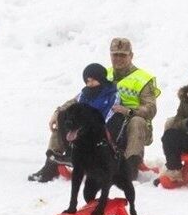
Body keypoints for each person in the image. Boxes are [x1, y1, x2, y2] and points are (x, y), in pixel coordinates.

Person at [29, 38, 159, 182]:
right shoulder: (102, 73)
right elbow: (81, 97)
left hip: (131, 124)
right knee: (66, 117)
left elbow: (150, 108)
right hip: (104, 119)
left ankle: (130, 167)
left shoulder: (142, 79)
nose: (118, 58)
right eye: (115, 55)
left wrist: (128, 110)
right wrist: (59, 111)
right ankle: (51, 164)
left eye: (123, 55)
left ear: (131, 56)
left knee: (137, 121)